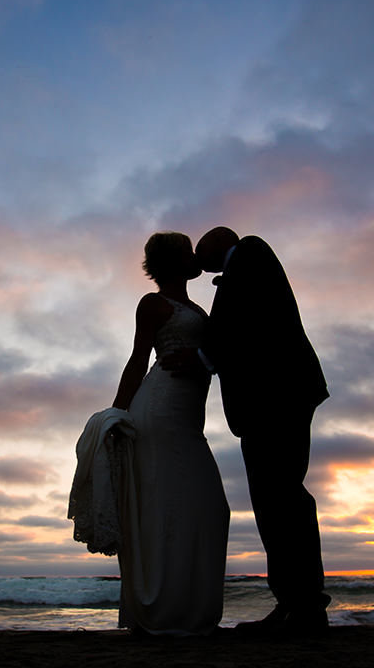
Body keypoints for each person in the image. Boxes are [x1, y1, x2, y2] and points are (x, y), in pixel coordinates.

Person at [169, 227, 330, 636]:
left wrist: (204, 356)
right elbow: (242, 321)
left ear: (219, 238)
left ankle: (306, 608)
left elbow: (244, 321)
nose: (196, 256)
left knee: (282, 498)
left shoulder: (252, 252)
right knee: (274, 501)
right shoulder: (240, 272)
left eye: (198, 247)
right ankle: (294, 603)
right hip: (267, 404)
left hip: (278, 398)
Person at [110, 231, 230, 635]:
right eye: (186, 249)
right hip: (160, 410)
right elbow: (137, 360)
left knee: (207, 507)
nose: (195, 252)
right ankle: (164, 610)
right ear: (170, 261)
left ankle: (188, 609)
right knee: (168, 504)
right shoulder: (154, 304)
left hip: (188, 418)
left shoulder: (197, 305)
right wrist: (116, 416)